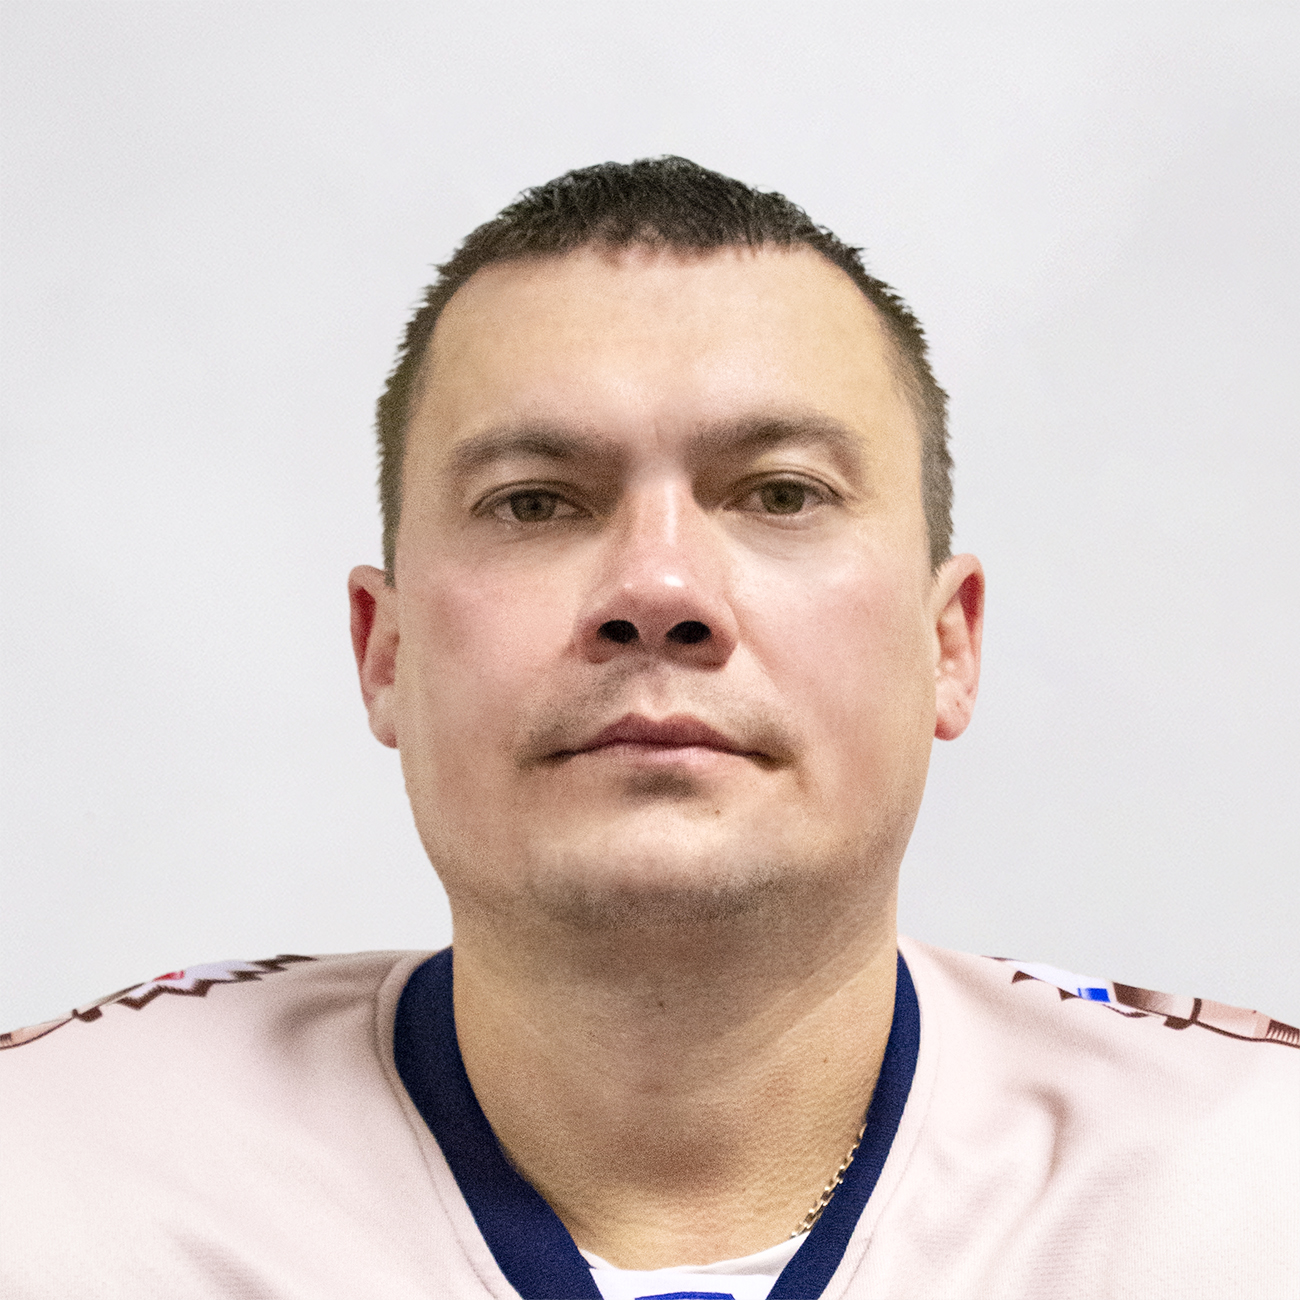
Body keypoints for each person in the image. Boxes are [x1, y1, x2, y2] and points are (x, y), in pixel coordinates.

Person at [1, 157, 1295, 1300]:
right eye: (535, 502)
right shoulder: (50, 1181)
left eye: (780, 493)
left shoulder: (1254, 1190)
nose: (660, 588)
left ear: (947, 644)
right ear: (384, 653)